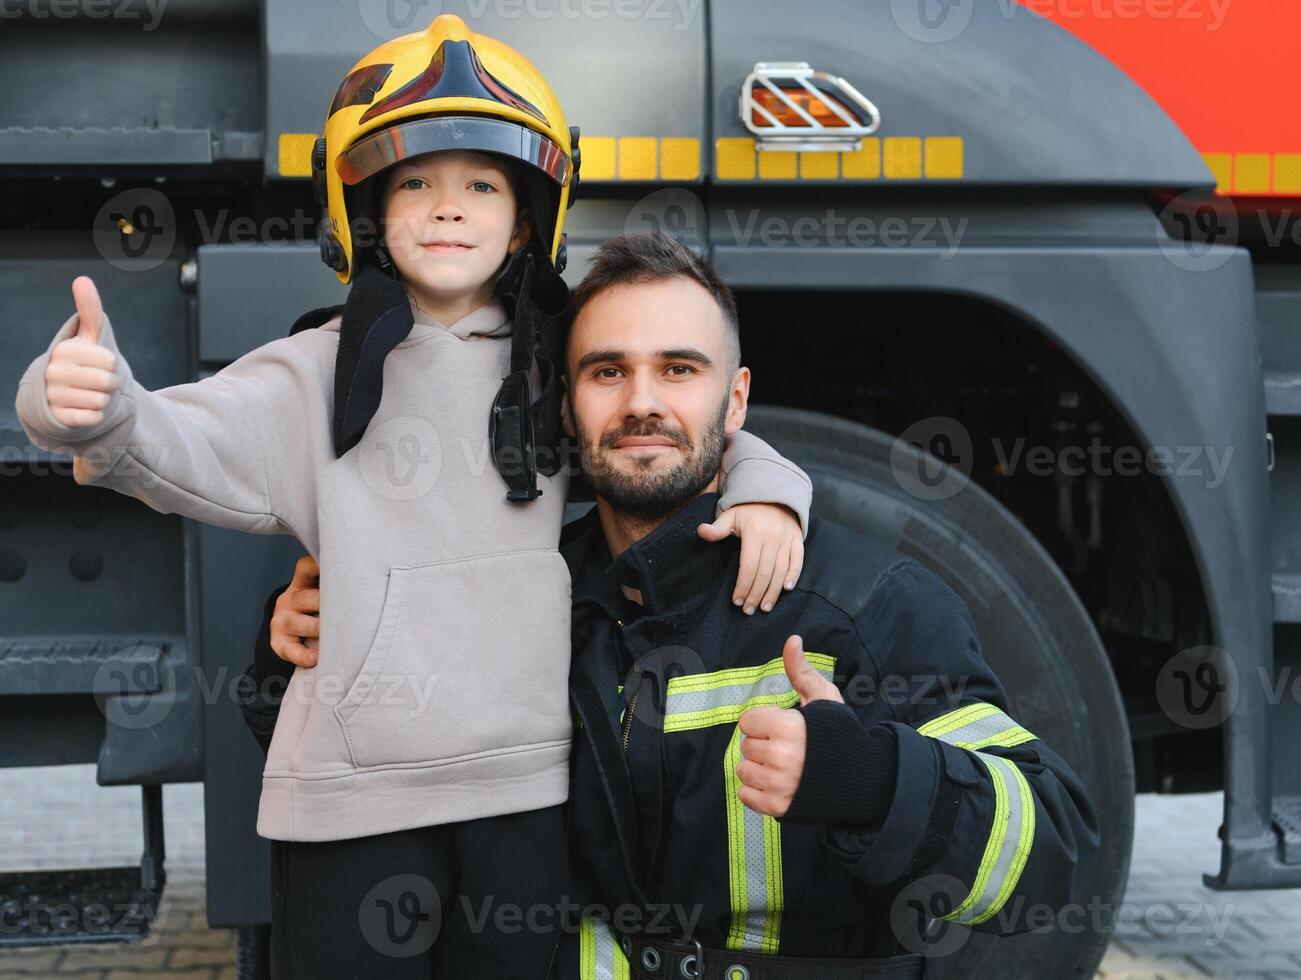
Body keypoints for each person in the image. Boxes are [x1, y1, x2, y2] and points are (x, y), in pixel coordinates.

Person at [13, 18, 810, 978]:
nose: (447, 208)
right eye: (414, 184)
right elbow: (171, 440)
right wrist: (89, 408)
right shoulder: (312, 373)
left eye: (481, 184)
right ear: (363, 213)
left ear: (527, 221)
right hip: (352, 802)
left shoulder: (551, 368)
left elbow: (666, 435)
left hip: (524, 796)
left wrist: (768, 491)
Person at [254, 233, 1101, 979]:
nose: (642, 403)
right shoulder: (516, 590)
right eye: (607, 371)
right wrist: (290, 657)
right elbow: (380, 771)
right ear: (563, 403)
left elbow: (1055, 858)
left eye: (678, 370)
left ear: (733, 400)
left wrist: (871, 779)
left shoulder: (864, 607)